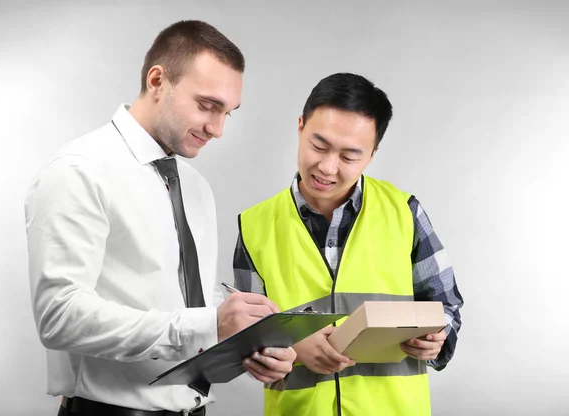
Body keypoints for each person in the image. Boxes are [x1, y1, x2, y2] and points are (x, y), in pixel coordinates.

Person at [25, 20, 295, 416]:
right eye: (207, 105)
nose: (217, 129)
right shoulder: (78, 170)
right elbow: (59, 315)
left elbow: (180, 296)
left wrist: (251, 338)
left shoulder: (196, 186)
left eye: (227, 113)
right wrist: (207, 326)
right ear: (157, 81)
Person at [233, 73, 464, 415]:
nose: (327, 167)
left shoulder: (405, 213)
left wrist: (436, 337)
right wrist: (291, 346)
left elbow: (447, 308)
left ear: (372, 154)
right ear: (300, 126)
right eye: (318, 145)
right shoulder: (253, 225)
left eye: (349, 156)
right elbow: (246, 335)